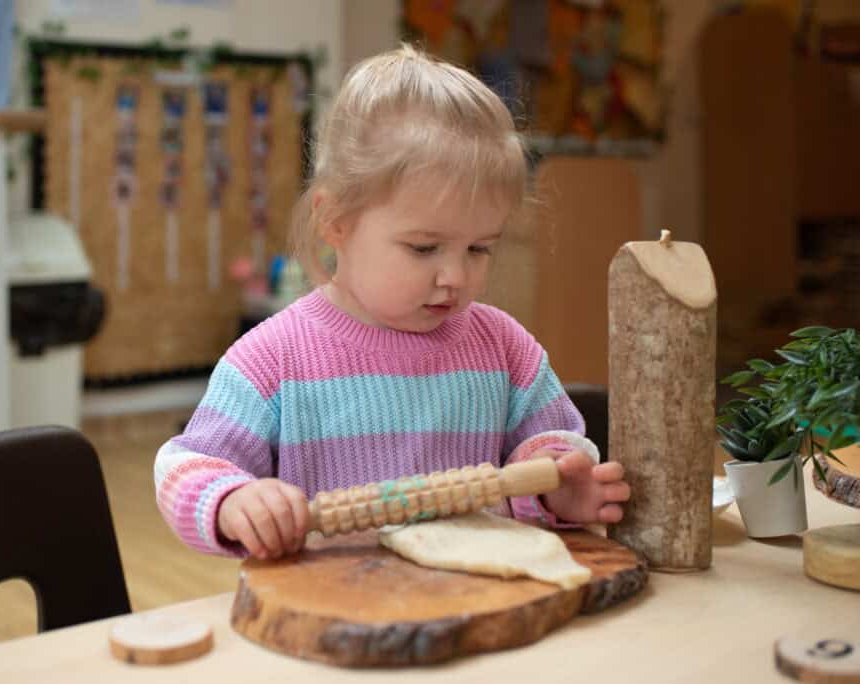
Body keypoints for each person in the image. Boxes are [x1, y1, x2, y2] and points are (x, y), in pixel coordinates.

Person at [154, 45, 630, 560]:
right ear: (335, 220)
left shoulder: (505, 348)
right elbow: (188, 465)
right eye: (424, 248)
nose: (455, 276)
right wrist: (233, 501)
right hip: (332, 617)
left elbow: (557, 442)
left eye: (479, 249)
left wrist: (554, 482)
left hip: (478, 604)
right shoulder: (271, 360)